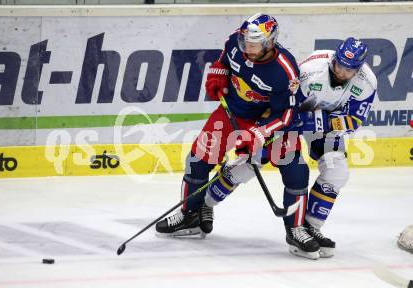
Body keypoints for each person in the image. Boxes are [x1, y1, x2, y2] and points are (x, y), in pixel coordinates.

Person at [156, 13, 321, 259]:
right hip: (233, 111)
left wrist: (258, 133)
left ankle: (295, 228)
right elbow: (223, 61)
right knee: (197, 159)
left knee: (296, 170)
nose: (248, 49)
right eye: (246, 43)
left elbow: (287, 115)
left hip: (270, 121)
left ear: (270, 42)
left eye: (254, 45)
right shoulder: (236, 40)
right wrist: (217, 75)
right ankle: (190, 214)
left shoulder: (285, 71)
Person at [297, 37, 377, 258]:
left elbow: (353, 121)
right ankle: (201, 206)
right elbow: (289, 103)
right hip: (293, 121)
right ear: (334, 59)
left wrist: (324, 121)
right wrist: (307, 118)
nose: (341, 72)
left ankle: (309, 227)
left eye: (348, 70)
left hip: (327, 128)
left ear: (358, 69)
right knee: (252, 160)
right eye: (339, 65)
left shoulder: (367, 82)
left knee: (338, 171)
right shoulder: (310, 69)